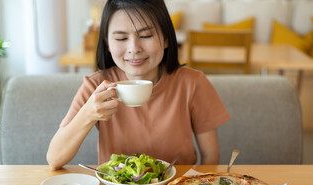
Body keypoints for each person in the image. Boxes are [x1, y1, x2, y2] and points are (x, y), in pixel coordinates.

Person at [47, 0, 230, 170]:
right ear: (107, 43)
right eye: (120, 38)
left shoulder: (192, 83)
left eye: (146, 35)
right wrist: (88, 115)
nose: (134, 48)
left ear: (166, 38)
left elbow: (211, 157)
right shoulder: (96, 86)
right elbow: (54, 159)